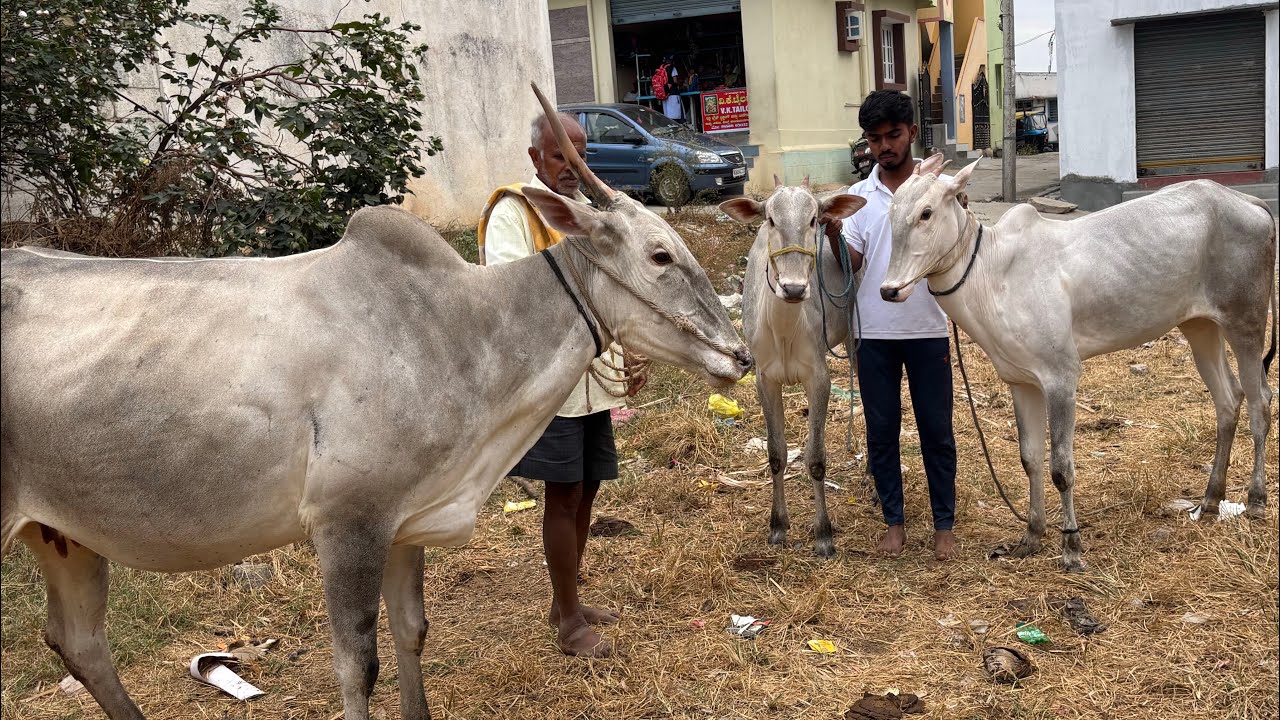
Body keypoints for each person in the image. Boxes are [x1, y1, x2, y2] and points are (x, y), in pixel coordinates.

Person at [477, 112, 646, 657]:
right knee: (564, 491)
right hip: (551, 384)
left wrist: (632, 343)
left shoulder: (590, 211)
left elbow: (615, 287)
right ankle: (570, 621)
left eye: (580, 157)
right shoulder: (515, 212)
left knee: (589, 484)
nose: (574, 169)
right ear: (535, 160)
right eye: (560, 158)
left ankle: (564, 598)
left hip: (592, 379)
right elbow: (512, 297)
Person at [826, 90, 959, 561]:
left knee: (936, 430)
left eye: (893, 135)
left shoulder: (938, 188)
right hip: (874, 332)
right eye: (875, 139)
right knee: (881, 431)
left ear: (912, 133)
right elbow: (855, 263)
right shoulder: (860, 198)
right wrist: (833, 235)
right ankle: (894, 523)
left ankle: (944, 525)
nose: (885, 146)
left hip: (927, 327)